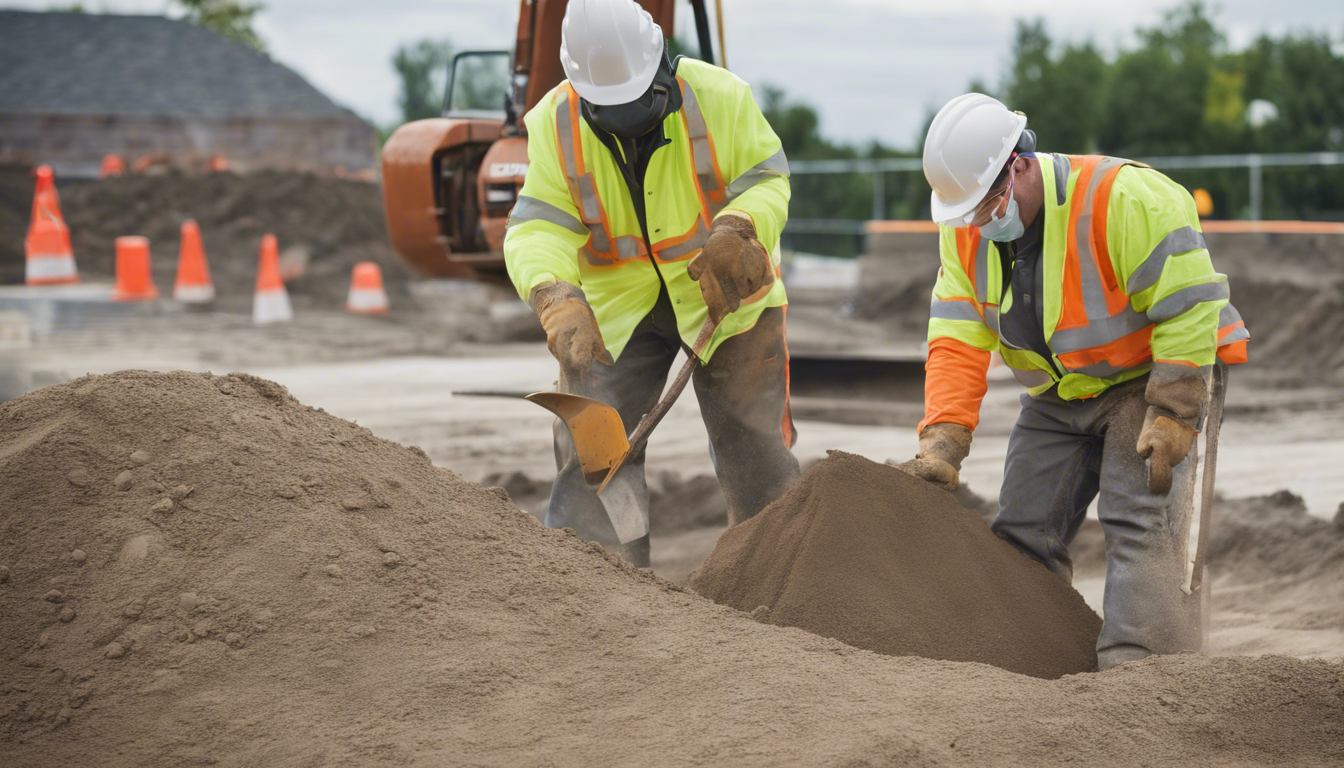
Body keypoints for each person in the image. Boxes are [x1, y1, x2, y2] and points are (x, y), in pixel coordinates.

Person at [900, 93, 1249, 669]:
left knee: (1137, 515)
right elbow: (958, 336)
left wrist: (1174, 411)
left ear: (1018, 164)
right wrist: (944, 437)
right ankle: (1035, 658)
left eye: (986, 206)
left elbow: (1190, 309)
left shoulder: (1127, 201)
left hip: (1150, 380)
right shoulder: (967, 230)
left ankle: (1139, 672)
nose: (978, 224)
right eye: (964, 213)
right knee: (1021, 528)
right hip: (1059, 395)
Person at [503, 0, 799, 567]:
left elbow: (768, 181)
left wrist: (741, 229)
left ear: (662, 62)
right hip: (617, 315)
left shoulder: (721, 97)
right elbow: (538, 225)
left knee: (754, 448)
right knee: (595, 447)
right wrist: (555, 296)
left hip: (727, 300)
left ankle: (776, 578)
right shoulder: (553, 122)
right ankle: (602, 584)